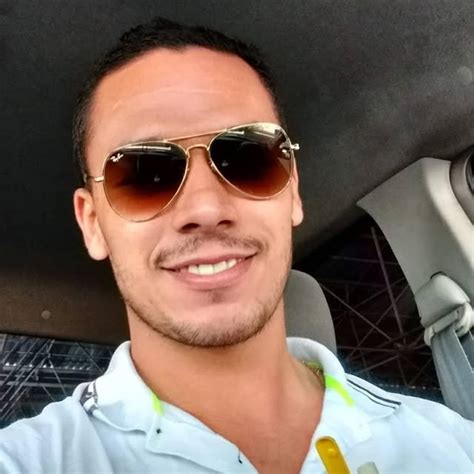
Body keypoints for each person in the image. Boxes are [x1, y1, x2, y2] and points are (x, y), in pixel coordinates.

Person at [0, 17, 472, 474]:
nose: (206, 208)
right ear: (93, 224)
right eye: (144, 173)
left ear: (292, 191)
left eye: (248, 157)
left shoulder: (451, 446)